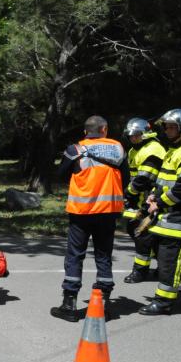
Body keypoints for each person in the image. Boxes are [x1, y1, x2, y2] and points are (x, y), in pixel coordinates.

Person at [51, 116, 127, 322]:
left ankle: (69, 304)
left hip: (81, 211)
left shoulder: (74, 149)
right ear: (104, 129)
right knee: (103, 255)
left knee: (75, 255)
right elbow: (126, 177)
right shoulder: (118, 148)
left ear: (86, 132)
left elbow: (60, 174)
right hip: (108, 210)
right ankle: (101, 303)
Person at [138, 109, 181, 315]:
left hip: (180, 218)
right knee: (170, 259)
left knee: (169, 261)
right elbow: (165, 180)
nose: (166, 130)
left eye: (171, 127)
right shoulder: (176, 149)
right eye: (166, 127)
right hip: (167, 215)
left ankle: (164, 302)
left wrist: (159, 202)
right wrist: (152, 195)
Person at [121, 118, 165, 284]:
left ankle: (140, 271)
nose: (133, 138)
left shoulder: (153, 149)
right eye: (131, 136)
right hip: (138, 200)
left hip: (150, 200)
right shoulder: (135, 150)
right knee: (139, 233)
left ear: (145, 133)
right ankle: (163, 266)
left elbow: (144, 179)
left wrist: (127, 192)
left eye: (136, 135)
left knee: (141, 234)